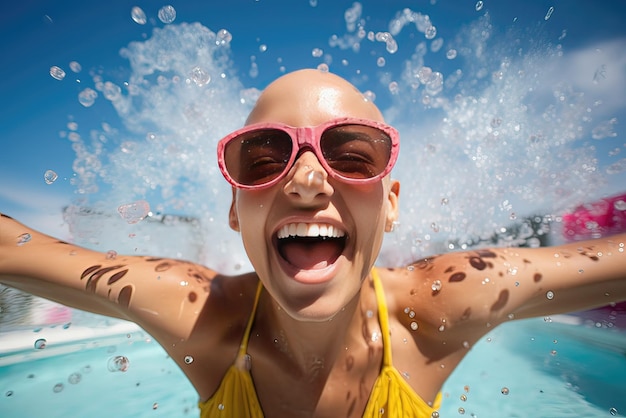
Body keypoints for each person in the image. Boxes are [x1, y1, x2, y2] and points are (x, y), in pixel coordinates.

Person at [1, 68, 625, 418]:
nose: (305, 180)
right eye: (263, 160)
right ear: (234, 207)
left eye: (353, 157)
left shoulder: (445, 304)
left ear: (392, 202)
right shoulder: (201, 317)